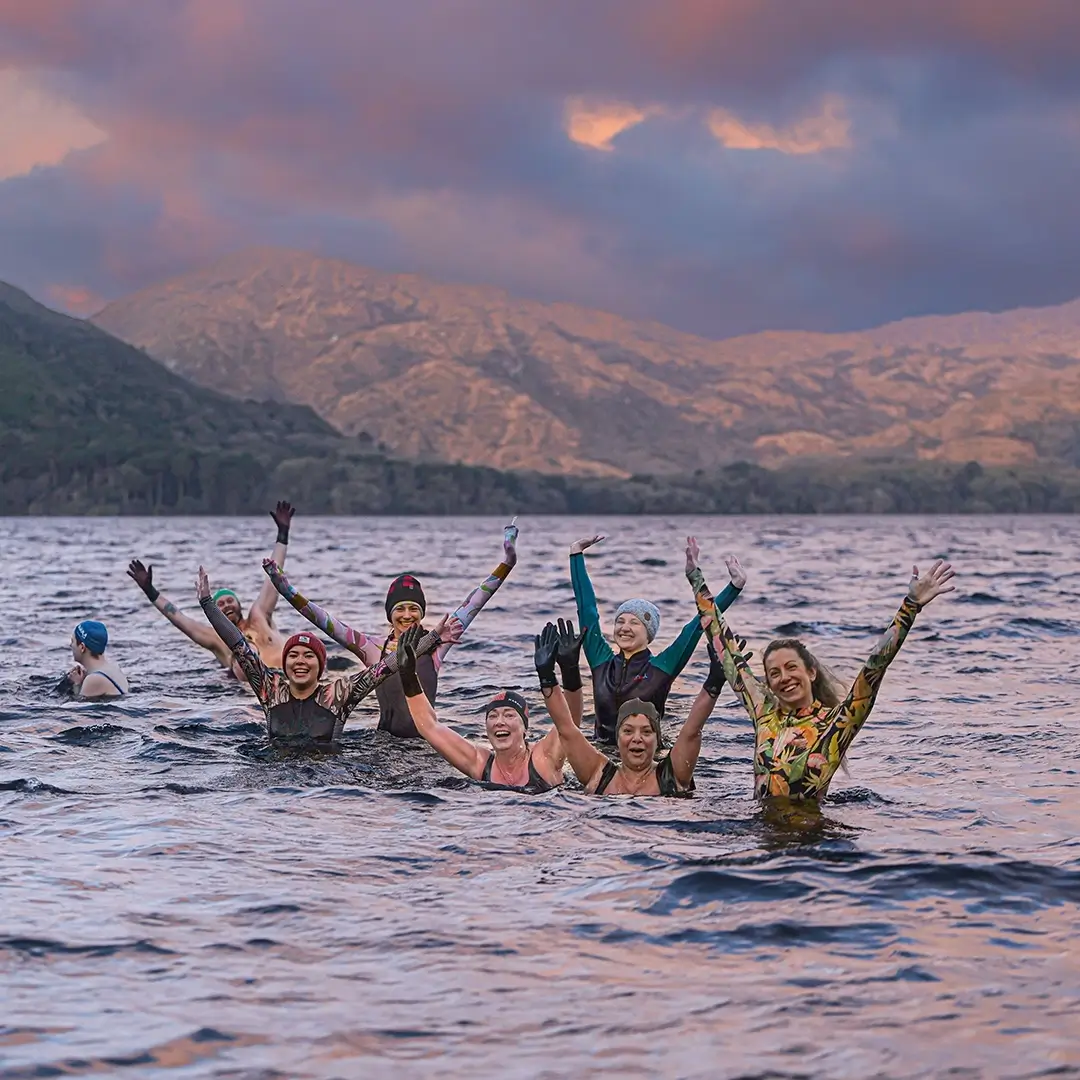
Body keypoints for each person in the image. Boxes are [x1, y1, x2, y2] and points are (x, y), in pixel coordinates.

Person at [685, 536, 956, 802]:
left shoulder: (839, 722)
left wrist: (910, 607)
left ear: (811, 672)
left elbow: (876, 665)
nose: (784, 678)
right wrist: (695, 576)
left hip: (811, 836)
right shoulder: (764, 712)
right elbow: (726, 647)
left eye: (791, 668)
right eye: (774, 673)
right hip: (761, 834)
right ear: (767, 682)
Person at [262, 520, 519, 738]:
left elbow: (475, 601)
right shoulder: (371, 649)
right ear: (389, 614)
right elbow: (324, 621)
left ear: (422, 613)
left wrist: (508, 562)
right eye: (400, 609)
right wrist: (284, 588)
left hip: (426, 744)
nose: (407, 615)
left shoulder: (438, 643)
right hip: (384, 745)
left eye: (413, 608)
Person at [196, 566, 460, 743]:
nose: (300, 661)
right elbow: (241, 648)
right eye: (294, 655)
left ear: (321, 667)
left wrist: (432, 640)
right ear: (284, 665)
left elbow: (386, 667)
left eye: (309, 656)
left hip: (326, 781)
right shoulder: (271, 690)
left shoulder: (338, 695)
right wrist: (208, 605)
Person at [568, 532, 745, 743]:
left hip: (648, 757)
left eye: (634, 623)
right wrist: (576, 554)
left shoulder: (661, 668)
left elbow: (695, 628)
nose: (625, 628)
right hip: (603, 753)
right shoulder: (601, 661)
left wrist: (734, 587)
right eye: (620, 621)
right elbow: (586, 609)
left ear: (649, 633)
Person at [535, 621, 727, 797]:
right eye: (628, 731)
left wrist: (714, 683)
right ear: (617, 737)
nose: (637, 738)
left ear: (657, 738)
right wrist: (547, 677)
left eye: (646, 731)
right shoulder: (599, 775)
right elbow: (567, 730)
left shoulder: (672, 775)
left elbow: (691, 731)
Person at [398, 620, 584, 793]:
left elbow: (570, 724)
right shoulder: (479, 763)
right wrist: (408, 675)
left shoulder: (543, 757)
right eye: (492, 716)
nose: (499, 722)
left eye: (509, 715)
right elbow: (429, 726)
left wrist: (570, 672)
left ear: (525, 728)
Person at [127, 501, 296, 675]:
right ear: (215, 612)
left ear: (239, 605)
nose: (227, 605)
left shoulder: (259, 616)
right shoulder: (218, 639)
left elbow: (273, 580)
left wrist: (282, 535)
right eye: (220, 604)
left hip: (292, 676)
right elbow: (181, 620)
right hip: (255, 691)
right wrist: (150, 591)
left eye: (230, 600)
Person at [64, 620, 129, 698]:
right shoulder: (114, 668)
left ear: (82, 647)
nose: (70, 645)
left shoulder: (94, 679)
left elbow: (78, 707)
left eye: (73, 641)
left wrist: (76, 684)